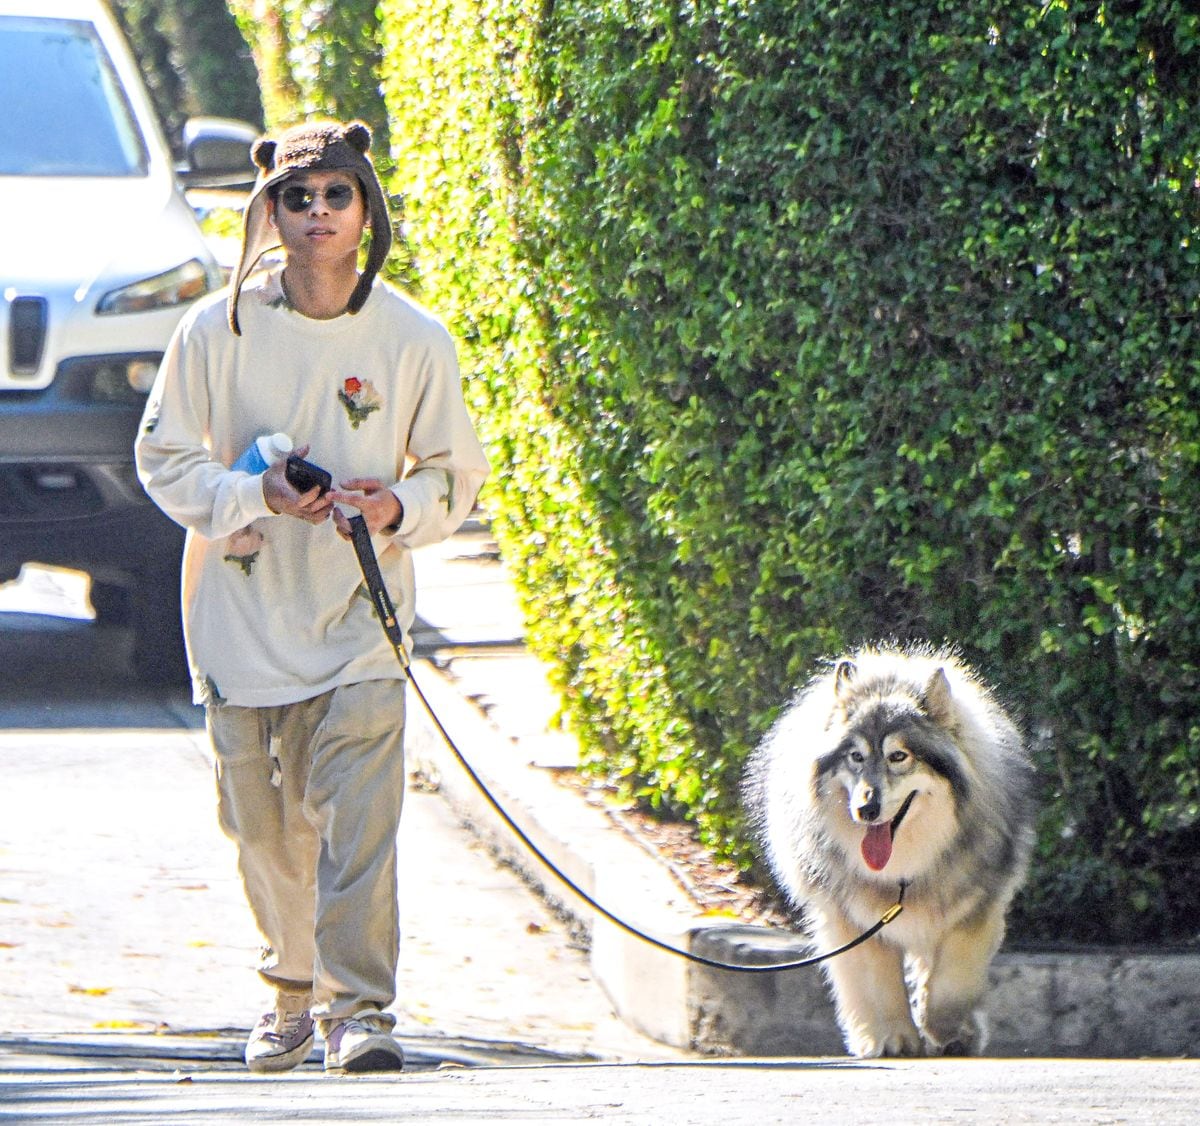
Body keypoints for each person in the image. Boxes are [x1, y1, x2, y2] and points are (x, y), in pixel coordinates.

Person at [135, 119, 489, 1074]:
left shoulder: (415, 336)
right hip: (240, 623)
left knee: (358, 822)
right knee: (262, 829)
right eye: (300, 197)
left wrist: (394, 505)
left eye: (338, 195)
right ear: (271, 210)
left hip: (359, 627)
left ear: (366, 209)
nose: (319, 214)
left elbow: (457, 473)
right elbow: (160, 457)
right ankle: (290, 994)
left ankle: (361, 1012)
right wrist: (255, 493)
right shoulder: (214, 330)